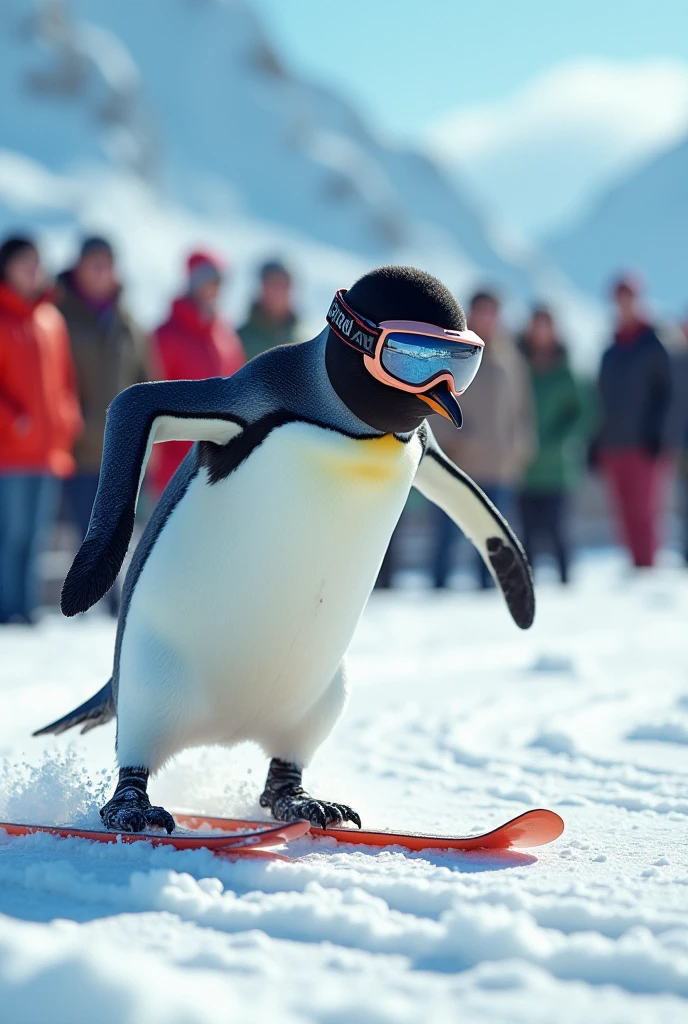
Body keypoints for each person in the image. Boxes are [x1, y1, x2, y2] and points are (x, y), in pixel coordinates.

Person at [57, 236, 149, 613]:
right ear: (78, 267)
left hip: (119, 451)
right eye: (93, 262)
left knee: (116, 534)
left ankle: (112, 605)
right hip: (74, 448)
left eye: (107, 263)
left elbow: (146, 380)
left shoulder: (128, 323)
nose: (101, 270)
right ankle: (84, 606)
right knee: (83, 535)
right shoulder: (59, 314)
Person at [0, 235, 82, 623]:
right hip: (9, 451)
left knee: (36, 537)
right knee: (10, 535)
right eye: (24, 263)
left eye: (36, 262)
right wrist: (12, 420)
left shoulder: (52, 319)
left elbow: (65, 379)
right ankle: (7, 608)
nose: (33, 270)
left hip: (49, 449)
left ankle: (28, 610)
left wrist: (68, 416)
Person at [431, 289, 535, 588]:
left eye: (493, 312)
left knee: (494, 544)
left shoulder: (511, 358)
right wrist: (456, 438)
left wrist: (520, 447)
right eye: (482, 311)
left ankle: (491, 602)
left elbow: (522, 409)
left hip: (501, 468)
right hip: (460, 467)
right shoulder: (452, 352)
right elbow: (434, 404)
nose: (488, 318)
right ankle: (437, 596)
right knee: (447, 540)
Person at [149, 250, 246, 496]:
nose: (214, 288)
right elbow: (151, 400)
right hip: (173, 466)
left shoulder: (226, 338)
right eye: (208, 281)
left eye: (218, 282)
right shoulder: (166, 336)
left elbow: (239, 395)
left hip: (218, 465)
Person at [597, 275, 673, 568]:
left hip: (646, 444)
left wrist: (660, 434)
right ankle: (635, 565)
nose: (624, 304)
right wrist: (598, 440)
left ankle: (648, 566)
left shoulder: (655, 344)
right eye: (620, 298)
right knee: (623, 514)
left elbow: (669, 393)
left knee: (645, 513)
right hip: (614, 444)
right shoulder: (611, 350)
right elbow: (601, 399)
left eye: (629, 297)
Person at [518, 306, 587, 584]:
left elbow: (585, 413)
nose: (541, 331)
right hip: (524, 466)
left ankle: (565, 584)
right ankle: (527, 587)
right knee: (527, 533)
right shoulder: (518, 365)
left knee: (557, 530)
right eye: (537, 325)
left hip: (558, 467)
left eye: (546, 325)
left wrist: (561, 438)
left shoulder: (567, 369)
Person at [238, 260, 301, 361]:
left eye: (285, 284)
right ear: (261, 287)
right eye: (274, 283)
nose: (280, 291)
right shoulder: (237, 341)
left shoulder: (305, 339)